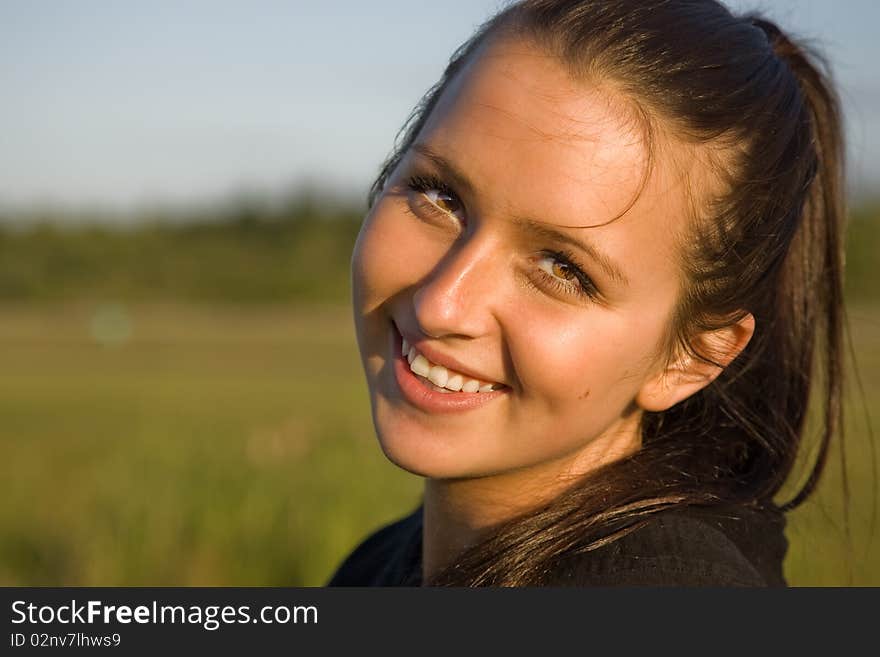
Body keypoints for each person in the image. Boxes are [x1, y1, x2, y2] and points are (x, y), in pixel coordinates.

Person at [328, 0, 846, 586]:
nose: (441, 304)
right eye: (440, 197)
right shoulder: (379, 567)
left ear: (694, 357)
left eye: (562, 268)